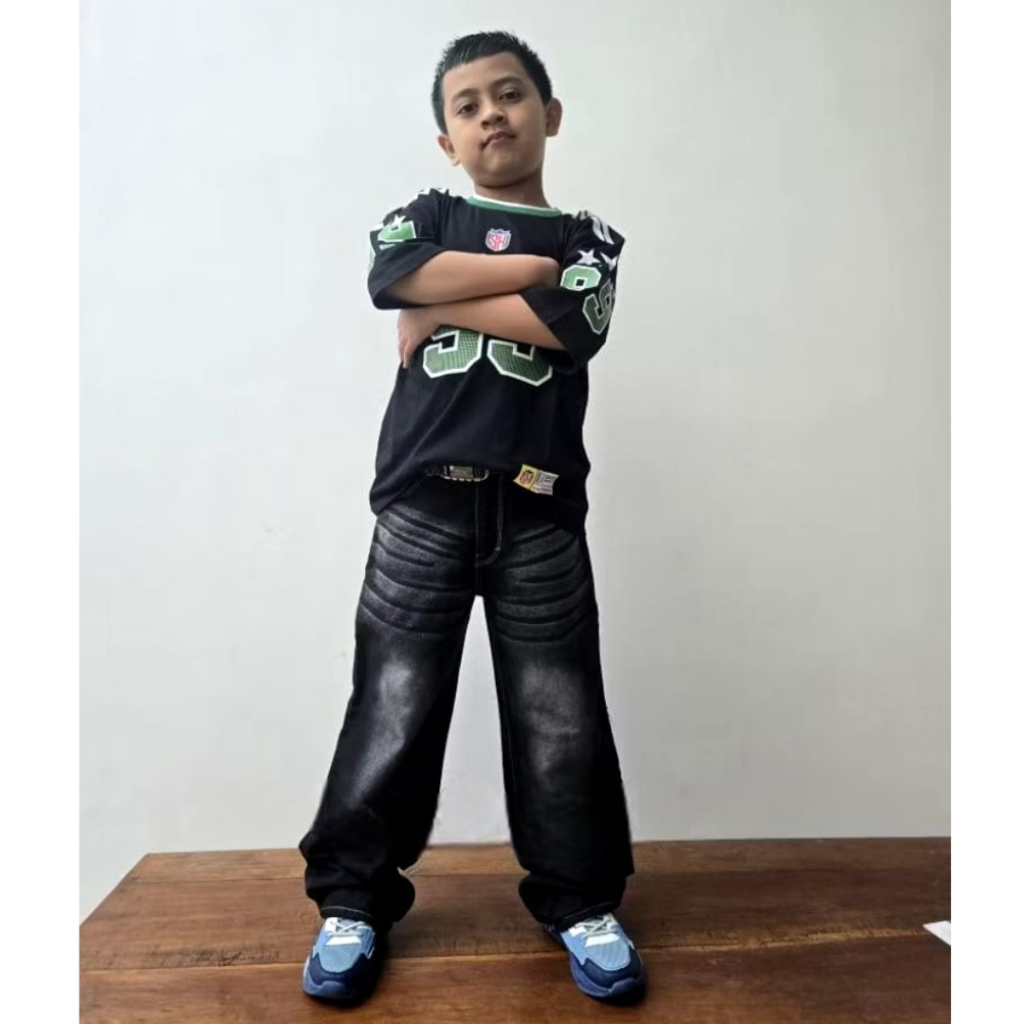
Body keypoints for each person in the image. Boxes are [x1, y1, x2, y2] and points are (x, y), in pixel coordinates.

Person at [298, 30, 645, 1004]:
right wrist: (525, 276)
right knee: (392, 703)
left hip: (539, 507)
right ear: (447, 140)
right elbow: (389, 278)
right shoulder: (426, 214)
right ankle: (354, 900)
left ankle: (581, 899)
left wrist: (447, 303)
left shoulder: (588, 239)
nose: (492, 112)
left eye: (510, 94)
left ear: (550, 114)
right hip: (424, 502)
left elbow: (576, 323)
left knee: (560, 712)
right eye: (468, 104)